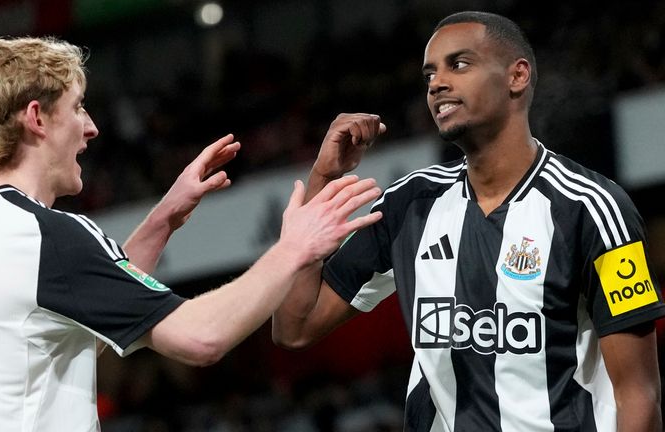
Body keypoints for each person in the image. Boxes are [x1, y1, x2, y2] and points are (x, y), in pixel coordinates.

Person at [0, 36, 383, 431]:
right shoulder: (44, 235)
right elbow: (202, 337)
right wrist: (293, 248)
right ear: (36, 118)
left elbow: (66, 332)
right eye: (77, 107)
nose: (91, 127)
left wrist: (164, 220)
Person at [272, 11, 664, 431]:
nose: (437, 83)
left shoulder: (593, 209)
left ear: (517, 76)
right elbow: (293, 328)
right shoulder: (410, 206)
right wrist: (322, 178)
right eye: (429, 75)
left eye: (459, 64)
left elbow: (638, 393)